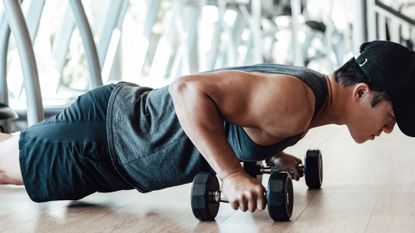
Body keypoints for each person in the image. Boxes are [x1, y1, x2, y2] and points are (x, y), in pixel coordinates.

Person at [0, 40, 413, 214]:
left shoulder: (306, 99)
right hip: (106, 141)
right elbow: (188, 89)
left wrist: (270, 152)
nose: (389, 129)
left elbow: (240, 117)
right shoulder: (295, 104)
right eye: (391, 116)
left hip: (115, 138)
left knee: (9, 151)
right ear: (361, 93)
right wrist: (231, 173)